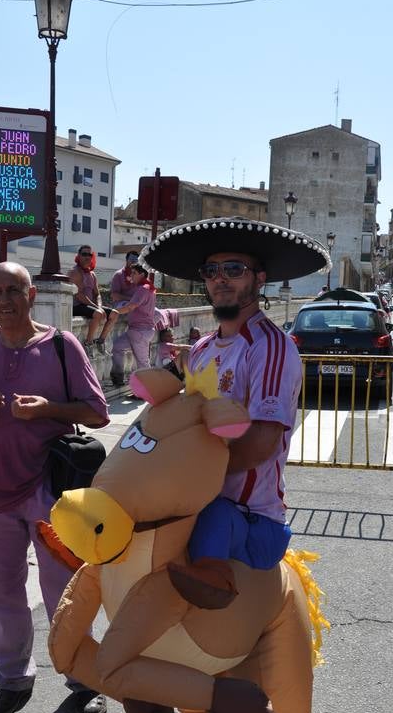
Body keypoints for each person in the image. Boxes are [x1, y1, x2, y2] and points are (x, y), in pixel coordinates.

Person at [0, 262, 110, 713]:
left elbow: (97, 412)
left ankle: (83, 677)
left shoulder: (61, 344)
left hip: (52, 489)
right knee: (0, 591)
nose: (4, 300)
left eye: (13, 290)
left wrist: (49, 409)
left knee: (64, 590)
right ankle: (12, 680)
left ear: (31, 296)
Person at [140, 216, 329, 574]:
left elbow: (263, 441)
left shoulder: (270, 346)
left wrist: (191, 477)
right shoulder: (201, 348)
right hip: (195, 501)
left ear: (260, 278)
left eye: (234, 269)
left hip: (247, 517)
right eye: (210, 270)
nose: (220, 278)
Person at [109, 263, 157, 387]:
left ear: (142, 274)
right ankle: (118, 377)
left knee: (142, 363)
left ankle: (149, 390)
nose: (131, 276)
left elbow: (131, 306)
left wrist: (115, 312)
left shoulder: (143, 289)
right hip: (136, 331)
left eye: (134, 273)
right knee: (117, 347)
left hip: (140, 332)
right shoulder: (147, 288)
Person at [68, 246, 116, 355]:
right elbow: (79, 295)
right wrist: (96, 307)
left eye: (89, 255)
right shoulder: (75, 272)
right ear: (79, 256)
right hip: (76, 306)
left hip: (90, 305)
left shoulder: (92, 274)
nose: (87, 257)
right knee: (98, 314)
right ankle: (88, 343)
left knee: (114, 313)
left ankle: (100, 341)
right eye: (84, 254)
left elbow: (97, 294)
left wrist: (99, 305)